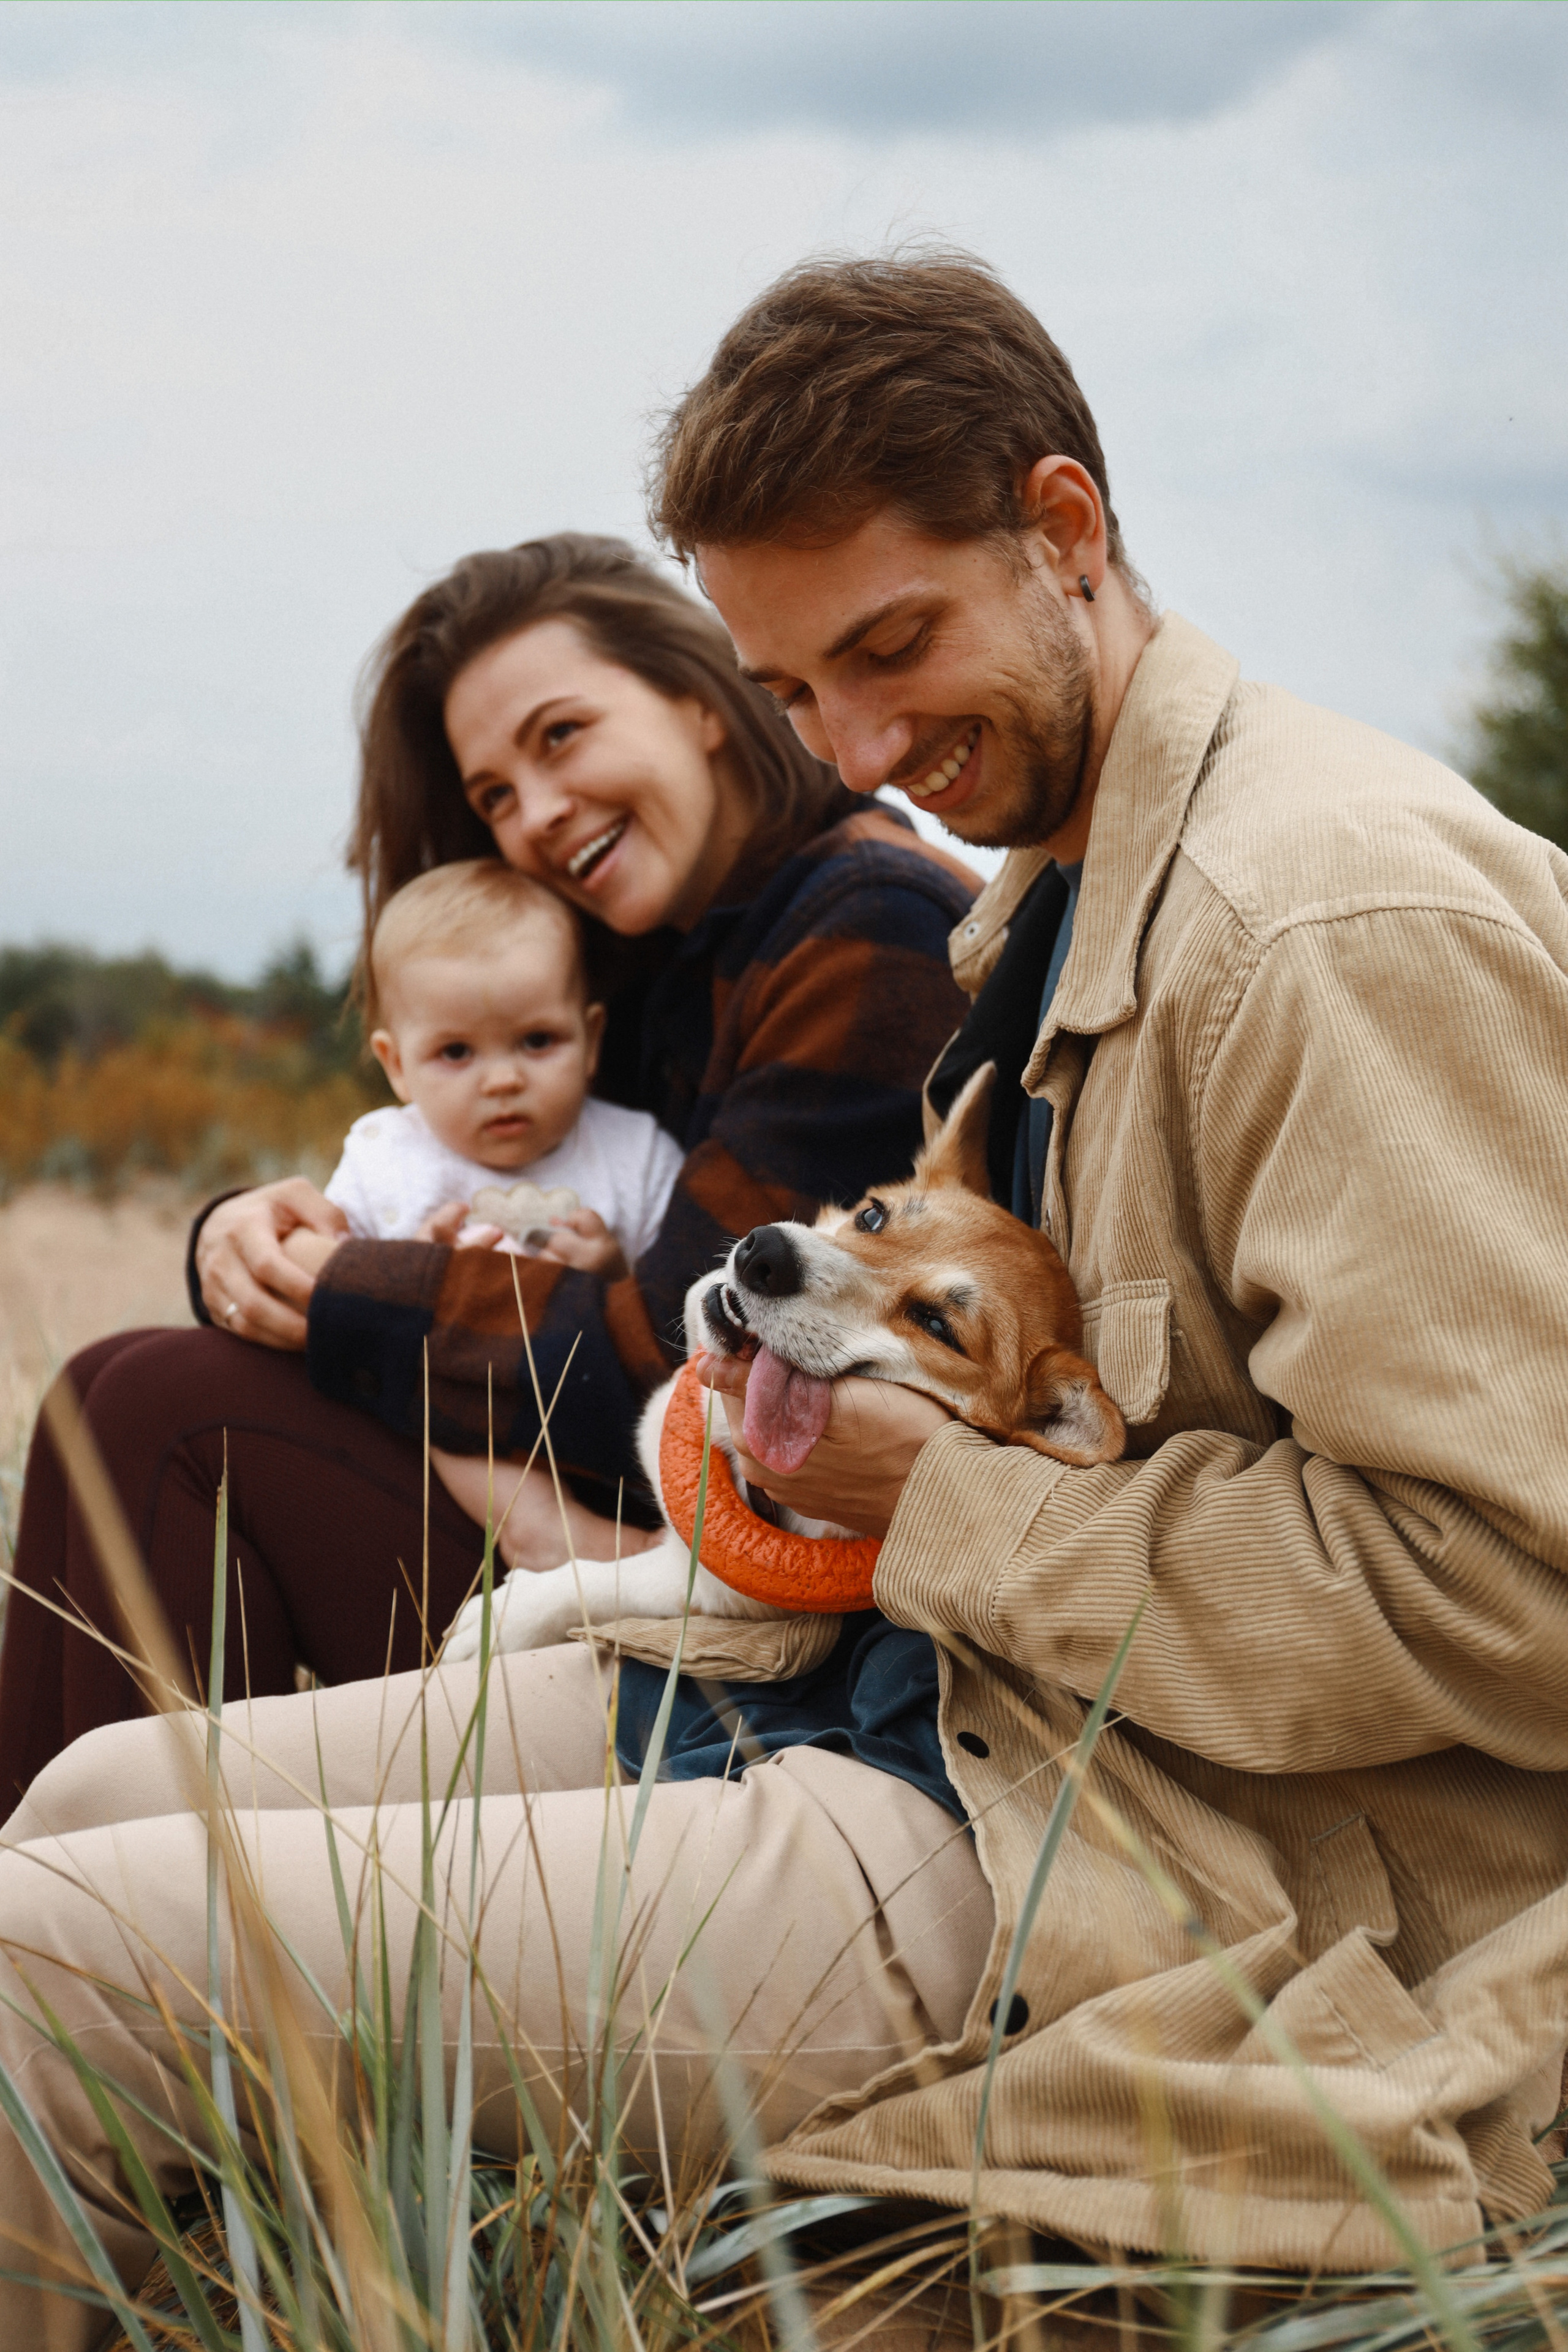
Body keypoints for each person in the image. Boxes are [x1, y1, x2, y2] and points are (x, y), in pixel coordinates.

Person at [5, 253, 1567, 2343]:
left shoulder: (1319, 928)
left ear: (1067, 527)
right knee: (92, 1799)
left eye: (893, 644)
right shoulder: (1050, 898)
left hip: (1122, 1848)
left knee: (52, 1950)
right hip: (889, 1689)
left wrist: (944, 1503)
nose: (860, 740)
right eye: (801, 688)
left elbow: (1521, 1588)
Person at [0, 531, 976, 1805]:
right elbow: (480, 1209)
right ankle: (76, 1900)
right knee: (108, 1388)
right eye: (496, 794)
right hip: (603, 1528)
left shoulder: (868, 925)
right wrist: (244, 1232)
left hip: (784, 1645)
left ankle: (136, 1934)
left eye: (560, 737)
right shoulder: (658, 956)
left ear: (700, 701)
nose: (535, 812)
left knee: (170, 1413)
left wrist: (342, 1290)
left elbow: (687, 1367)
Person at [321, 858, 683, 1270]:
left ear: (591, 1040)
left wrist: (620, 1286)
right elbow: (331, 1297)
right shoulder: (380, 1162)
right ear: (398, 1066)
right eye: (456, 1052)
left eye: (537, 1040)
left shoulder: (639, 1160)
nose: (503, 1081)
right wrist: (406, 1277)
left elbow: (692, 1301)